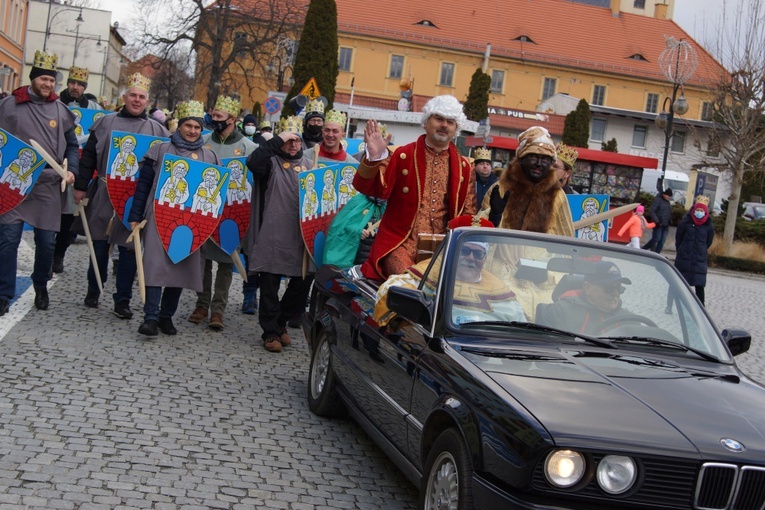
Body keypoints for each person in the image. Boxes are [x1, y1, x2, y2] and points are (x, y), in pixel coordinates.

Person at [72, 72, 170, 314]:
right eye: (133, 95)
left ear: (147, 101)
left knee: (128, 248)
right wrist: (81, 187)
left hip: (135, 199)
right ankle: (94, 288)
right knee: (98, 243)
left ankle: (122, 300)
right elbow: (89, 159)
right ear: (125, 97)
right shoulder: (105, 123)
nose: (137, 100)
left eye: (142, 97)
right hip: (105, 191)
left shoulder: (158, 131)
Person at [353, 95, 477, 280]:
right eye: (439, 119)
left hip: (443, 248)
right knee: (411, 283)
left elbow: (468, 214)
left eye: (450, 122)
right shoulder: (402, 154)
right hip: (401, 244)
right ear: (426, 122)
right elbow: (375, 190)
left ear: (455, 129)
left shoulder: (465, 167)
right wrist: (376, 158)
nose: (444, 125)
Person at [128, 99, 221, 337]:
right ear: (179, 126)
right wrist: (135, 215)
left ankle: (166, 316)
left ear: (202, 130)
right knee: (155, 266)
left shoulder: (209, 158)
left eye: (197, 127)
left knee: (179, 267)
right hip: (159, 218)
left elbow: (218, 195)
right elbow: (144, 185)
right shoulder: (160, 150)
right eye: (188, 125)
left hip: (190, 223)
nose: (192, 130)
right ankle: (150, 317)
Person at [0, 50, 79, 316]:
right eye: (44, 79)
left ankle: (41, 286)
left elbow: (71, 146)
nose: (48, 85)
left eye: (52, 81)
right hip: (15, 181)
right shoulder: (10, 105)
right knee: (8, 240)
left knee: (46, 242)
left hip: (47, 182)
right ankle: (3, 293)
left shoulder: (60, 110)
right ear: (33, 79)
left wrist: (72, 172)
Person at [188, 95, 258, 330]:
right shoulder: (204, 141)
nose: (213, 119)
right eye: (213, 115)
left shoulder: (249, 148)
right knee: (204, 261)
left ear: (232, 119)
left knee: (226, 262)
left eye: (218, 116)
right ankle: (201, 303)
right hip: (206, 209)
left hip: (233, 214)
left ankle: (218, 310)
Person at [245, 116, 313, 352]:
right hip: (271, 234)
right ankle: (270, 332)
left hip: (300, 237)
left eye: (296, 139)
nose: (293, 144)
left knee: (303, 281)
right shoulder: (269, 162)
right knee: (270, 285)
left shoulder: (311, 165)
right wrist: (275, 142)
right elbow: (253, 163)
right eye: (287, 140)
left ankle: (282, 321)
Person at [52, 66, 103, 274]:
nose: (75, 87)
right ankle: (46, 253)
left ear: (84, 87)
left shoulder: (94, 108)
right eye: (72, 83)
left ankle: (58, 255)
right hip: (53, 161)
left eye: (80, 84)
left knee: (67, 214)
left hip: (77, 165)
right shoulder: (55, 103)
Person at [484, 126, 574, 236]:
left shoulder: (557, 195)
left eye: (545, 159)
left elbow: (565, 237)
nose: (539, 164)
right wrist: (494, 216)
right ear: (521, 159)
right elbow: (479, 239)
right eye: (533, 157)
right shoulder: (500, 188)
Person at [538, 261, 634, 336]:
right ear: (587, 287)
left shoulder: (630, 320)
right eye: (609, 288)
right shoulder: (559, 312)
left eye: (619, 288)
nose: (615, 293)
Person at [667, 198, 714, 312]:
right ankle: (669, 305)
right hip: (684, 258)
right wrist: (682, 250)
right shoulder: (686, 222)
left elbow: (709, 241)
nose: (699, 212)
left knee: (699, 285)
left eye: (701, 210)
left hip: (699, 259)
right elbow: (679, 238)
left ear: (705, 212)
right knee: (676, 283)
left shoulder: (708, 225)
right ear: (693, 210)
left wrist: (701, 250)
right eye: (697, 210)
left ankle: (701, 309)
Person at [642, 188, 673, 253]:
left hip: (665, 225)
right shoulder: (658, 200)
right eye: (668, 196)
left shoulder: (667, 202)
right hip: (658, 224)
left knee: (662, 241)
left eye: (670, 196)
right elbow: (652, 211)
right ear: (665, 194)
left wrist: (670, 220)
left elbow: (668, 212)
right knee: (656, 239)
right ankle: (644, 249)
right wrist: (657, 221)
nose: (669, 197)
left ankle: (657, 254)